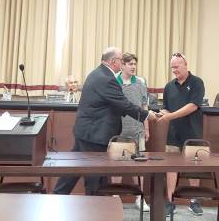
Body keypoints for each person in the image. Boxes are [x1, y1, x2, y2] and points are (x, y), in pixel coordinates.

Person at [53, 47, 157, 195]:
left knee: (75, 168)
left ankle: (58, 196)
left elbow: (114, 104)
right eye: (121, 60)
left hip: (88, 132)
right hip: (94, 134)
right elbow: (123, 103)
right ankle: (93, 206)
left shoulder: (97, 73)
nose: (122, 63)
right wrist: (147, 115)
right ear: (113, 61)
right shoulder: (106, 78)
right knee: (94, 175)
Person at [158, 53, 205, 216]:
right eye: (172, 68)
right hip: (173, 133)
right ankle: (170, 201)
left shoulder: (197, 82)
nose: (174, 70)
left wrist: (170, 115)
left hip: (193, 132)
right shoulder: (169, 86)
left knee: (194, 166)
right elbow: (165, 107)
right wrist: (163, 114)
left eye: (177, 67)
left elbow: (193, 106)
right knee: (171, 167)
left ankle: (194, 201)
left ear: (185, 65)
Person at [114, 52, 150, 212]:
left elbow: (144, 108)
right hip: (119, 130)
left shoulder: (141, 83)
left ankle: (140, 198)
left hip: (138, 130)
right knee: (117, 164)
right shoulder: (114, 82)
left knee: (140, 165)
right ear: (122, 65)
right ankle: (115, 197)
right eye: (130, 64)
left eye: (135, 64)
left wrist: (146, 127)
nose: (133, 66)